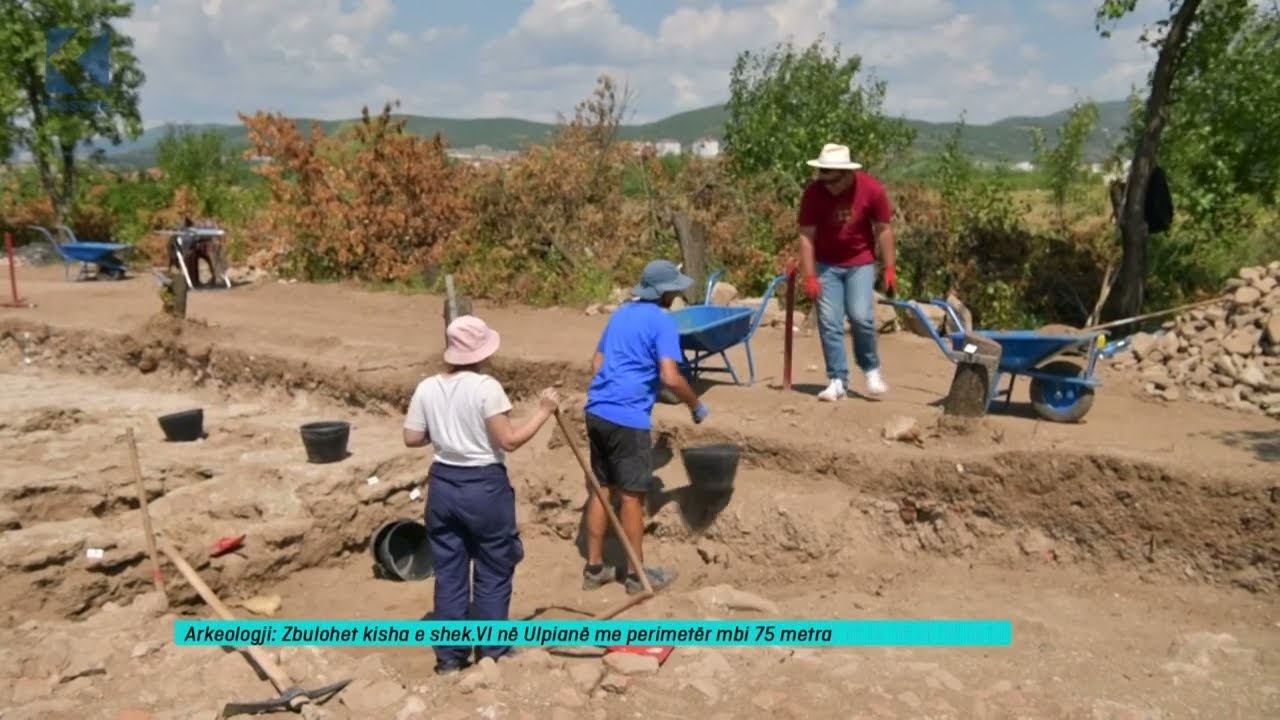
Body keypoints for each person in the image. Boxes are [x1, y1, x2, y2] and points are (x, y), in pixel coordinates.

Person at [402, 315, 560, 675]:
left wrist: (444, 435)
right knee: (492, 566)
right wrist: (544, 412)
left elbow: (412, 437)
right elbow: (509, 440)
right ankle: (493, 651)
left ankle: (449, 659)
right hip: (483, 486)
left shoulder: (427, 387)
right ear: (482, 352)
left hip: (443, 485)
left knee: (449, 571)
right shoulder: (486, 387)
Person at [581, 259, 709, 595]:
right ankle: (637, 577)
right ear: (665, 292)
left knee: (601, 488)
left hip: (597, 409)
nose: (677, 293)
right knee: (631, 497)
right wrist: (695, 404)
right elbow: (670, 376)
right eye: (675, 288)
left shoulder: (621, 313)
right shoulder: (662, 323)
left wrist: (617, 384)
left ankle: (594, 568)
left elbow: (597, 363)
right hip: (628, 417)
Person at [796, 142, 897, 402]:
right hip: (826, 264)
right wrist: (809, 275)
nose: (827, 185)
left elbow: (883, 229)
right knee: (829, 322)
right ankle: (837, 380)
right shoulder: (813, 194)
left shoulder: (872, 190)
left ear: (848, 174)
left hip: (860, 262)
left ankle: (871, 370)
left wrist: (889, 267)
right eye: (823, 178)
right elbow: (806, 236)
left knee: (861, 316)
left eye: (832, 181)